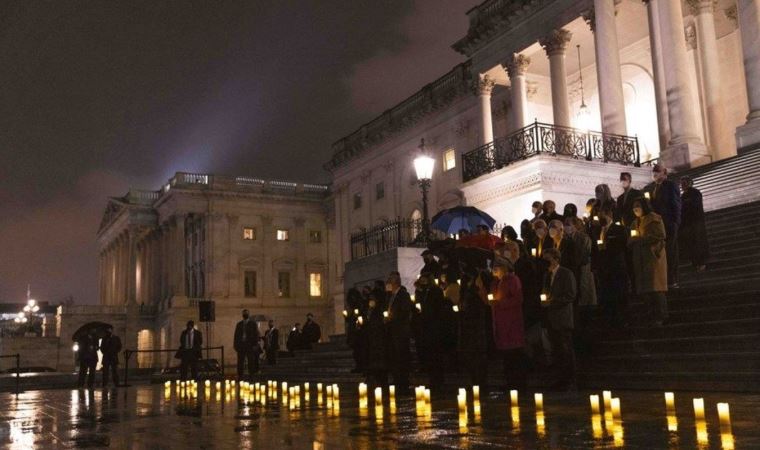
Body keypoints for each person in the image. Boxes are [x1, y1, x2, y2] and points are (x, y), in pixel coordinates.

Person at [629, 198, 669, 326]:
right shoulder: (634, 223)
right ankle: (650, 315)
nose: (635, 208)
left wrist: (641, 239)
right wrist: (632, 240)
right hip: (640, 258)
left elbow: (660, 235)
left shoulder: (654, 218)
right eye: (634, 206)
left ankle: (661, 315)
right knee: (646, 289)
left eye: (638, 206)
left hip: (653, 257)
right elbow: (631, 238)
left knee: (655, 287)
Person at [541, 248, 577, 390]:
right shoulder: (547, 275)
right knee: (556, 350)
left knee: (565, 349)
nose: (546, 263)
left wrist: (552, 302)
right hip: (551, 318)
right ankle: (560, 380)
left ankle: (570, 380)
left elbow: (570, 294)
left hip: (562, 318)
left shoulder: (566, 273)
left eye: (548, 259)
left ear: (556, 259)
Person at [489, 258, 527, 389]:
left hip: (511, 322)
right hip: (501, 323)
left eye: (497, 267)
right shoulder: (497, 282)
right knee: (507, 357)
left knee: (514, 356)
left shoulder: (512, 280)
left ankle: (518, 383)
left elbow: (518, 299)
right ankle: (510, 382)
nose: (494, 270)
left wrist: (499, 303)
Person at [645, 164, 681, 288]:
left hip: (669, 223)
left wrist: (675, 222)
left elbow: (676, 204)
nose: (654, 174)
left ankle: (673, 279)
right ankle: (665, 279)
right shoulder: (654, 188)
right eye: (653, 172)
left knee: (671, 252)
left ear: (664, 173)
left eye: (657, 172)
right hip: (659, 225)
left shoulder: (670, 185)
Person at [413, 272, 448, 389]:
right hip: (425, 326)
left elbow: (438, 308)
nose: (423, 282)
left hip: (434, 326)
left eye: (424, 280)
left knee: (436, 355)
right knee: (429, 355)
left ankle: (438, 381)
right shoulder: (421, 292)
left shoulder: (435, 291)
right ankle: (432, 380)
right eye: (421, 280)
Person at [594, 206, 629, 326]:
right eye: (599, 216)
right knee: (607, 295)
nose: (601, 218)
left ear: (610, 216)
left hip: (616, 265)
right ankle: (610, 319)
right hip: (603, 268)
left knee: (619, 294)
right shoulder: (597, 230)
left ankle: (622, 319)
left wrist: (607, 247)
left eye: (603, 215)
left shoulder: (619, 229)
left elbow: (623, 245)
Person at [385, 271, 413, 394]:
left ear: (394, 283)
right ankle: (397, 379)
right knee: (395, 356)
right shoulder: (391, 296)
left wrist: (392, 317)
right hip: (393, 331)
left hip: (401, 331)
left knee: (401, 356)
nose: (388, 285)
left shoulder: (403, 295)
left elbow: (405, 311)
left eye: (389, 282)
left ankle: (403, 381)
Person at [679, 176, 709, 272]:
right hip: (688, 224)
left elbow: (695, 207)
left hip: (695, 222)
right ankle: (695, 262)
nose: (683, 185)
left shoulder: (695, 193)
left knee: (698, 242)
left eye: (685, 183)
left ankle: (701, 263)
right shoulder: (683, 196)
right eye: (682, 183)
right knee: (691, 243)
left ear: (690, 183)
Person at [363, 290, 388, 387]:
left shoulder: (379, 310)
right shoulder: (370, 311)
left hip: (378, 339)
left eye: (372, 299)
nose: (370, 301)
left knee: (379, 361)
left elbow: (379, 324)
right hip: (372, 339)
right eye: (370, 299)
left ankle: (381, 381)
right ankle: (374, 379)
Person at [234, 309, 260, 381]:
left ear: (249, 314)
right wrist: (235, 345)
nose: (245, 314)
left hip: (250, 345)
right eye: (244, 313)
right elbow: (236, 335)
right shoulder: (239, 324)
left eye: (246, 313)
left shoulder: (253, 324)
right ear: (242, 315)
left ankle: (251, 376)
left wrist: (255, 345)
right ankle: (240, 376)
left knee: (251, 361)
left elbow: (256, 335)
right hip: (241, 345)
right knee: (240, 362)